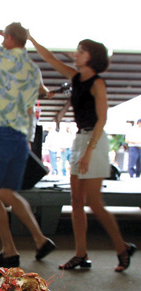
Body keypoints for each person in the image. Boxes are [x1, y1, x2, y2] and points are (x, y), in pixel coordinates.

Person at [29, 33, 137, 272]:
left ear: (92, 57)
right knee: (76, 202)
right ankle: (80, 254)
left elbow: (102, 120)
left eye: (81, 51)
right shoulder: (76, 78)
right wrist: (32, 40)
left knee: (94, 203)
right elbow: (50, 59)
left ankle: (122, 248)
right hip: (80, 139)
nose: (76, 54)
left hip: (94, 141)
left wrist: (89, 151)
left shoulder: (97, 83)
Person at [0, 23, 56, 269]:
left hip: (0, 133)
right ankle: (40, 240)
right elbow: (42, 92)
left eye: (3, 37)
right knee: (8, 192)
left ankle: (9, 251)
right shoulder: (33, 69)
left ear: (8, 38)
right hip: (21, 139)